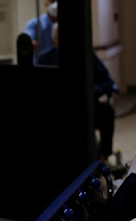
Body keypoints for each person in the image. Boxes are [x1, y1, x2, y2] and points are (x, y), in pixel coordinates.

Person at [38, 23, 118, 163]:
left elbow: (107, 82)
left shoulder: (87, 57)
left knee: (107, 112)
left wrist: (92, 91)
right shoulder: (45, 60)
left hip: (87, 108)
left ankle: (102, 156)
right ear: (54, 41)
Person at [22, 0, 57, 64]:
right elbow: (26, 40)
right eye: (53, 1)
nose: (56, 5)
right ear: (46, 3)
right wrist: (29, 44)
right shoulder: (34, 24)